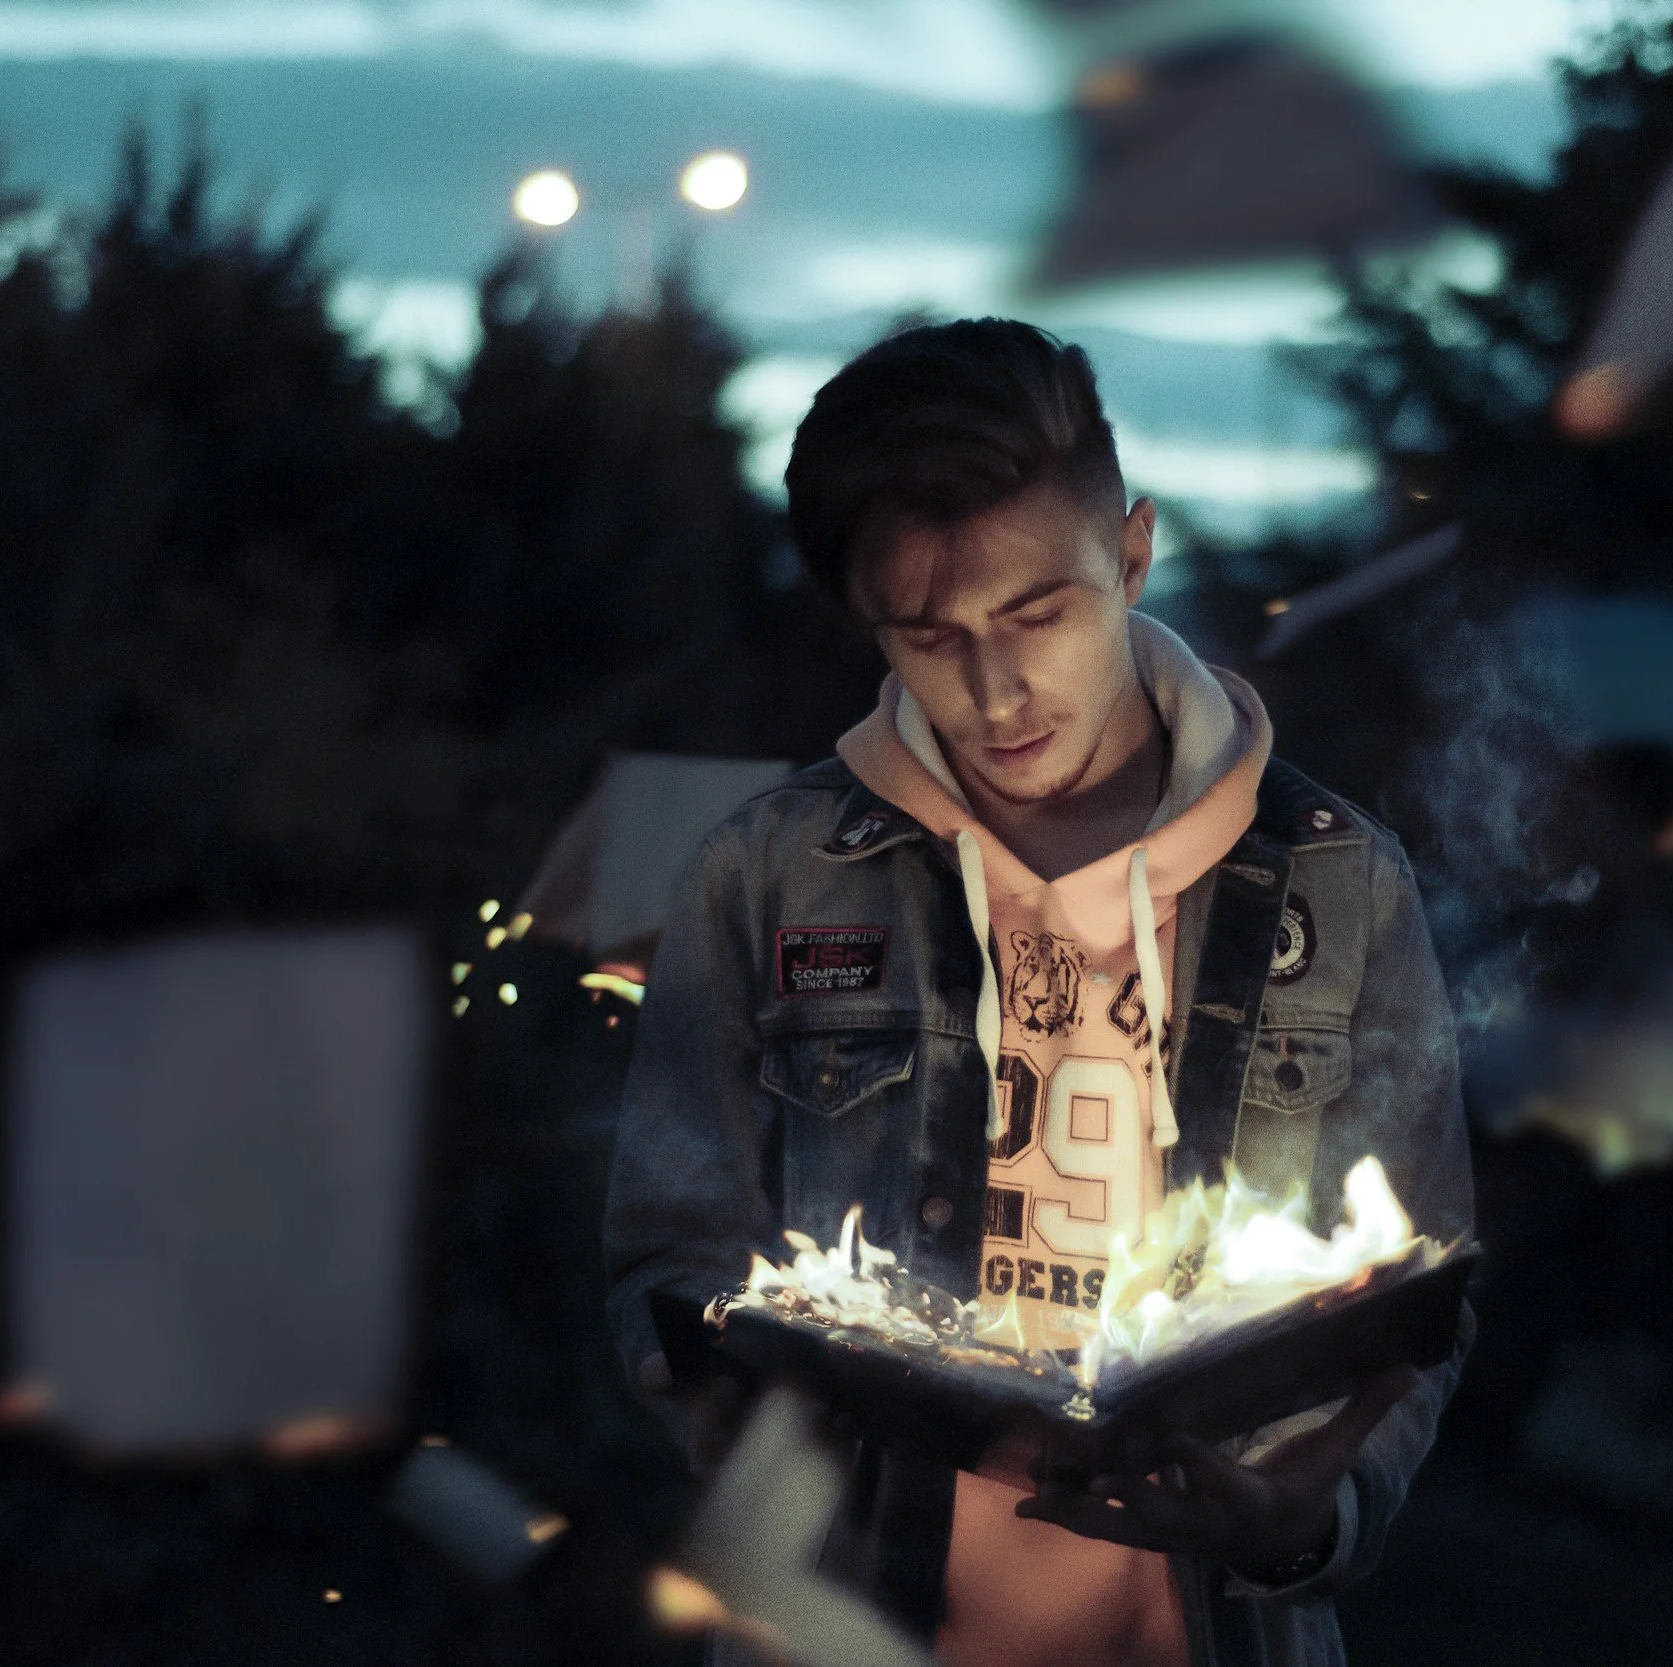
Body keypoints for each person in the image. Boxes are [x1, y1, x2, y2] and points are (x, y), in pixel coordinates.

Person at [604, 319, 1474, 1667]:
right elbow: (670, 1246)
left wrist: (1300, 1521)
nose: (997, 689)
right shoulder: (768, 877)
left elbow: (1413, 1290)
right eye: (929, 635)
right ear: (865, 622)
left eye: (1038, 613)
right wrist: (722, 1407)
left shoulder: (1338, 886)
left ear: (1132, 553)